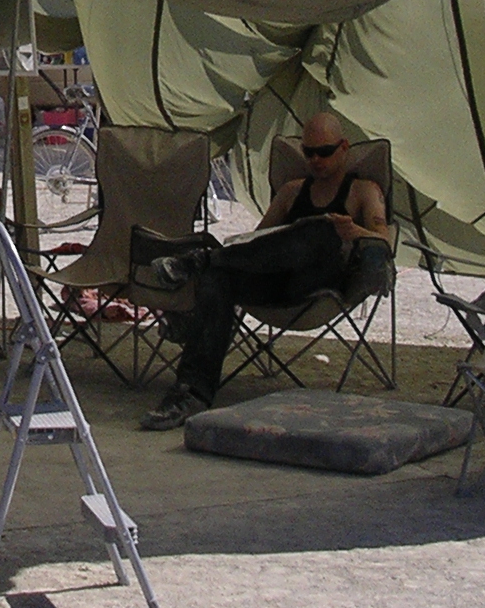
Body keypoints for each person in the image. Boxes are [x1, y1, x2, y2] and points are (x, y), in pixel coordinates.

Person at [138, 112, 389, 430]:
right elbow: (256, 245)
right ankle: (190, 393)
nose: (315, 160)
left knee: (320, 231)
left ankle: (200, 261)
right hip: (277, 282)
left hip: (318, 284)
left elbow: (384, 239)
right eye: (308, 153)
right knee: (220, 277)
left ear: (343, 148)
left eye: (323, 152)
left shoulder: (363, 191)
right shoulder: (291, 192)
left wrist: (352, 230)